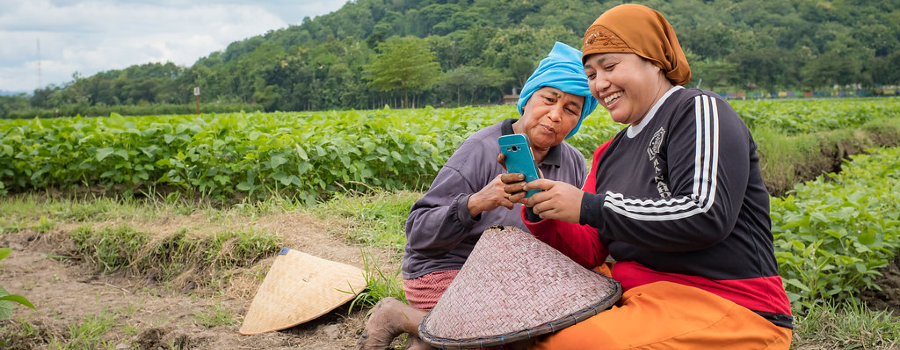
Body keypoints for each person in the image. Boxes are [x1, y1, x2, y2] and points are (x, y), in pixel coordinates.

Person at [501, 4, 793, 349]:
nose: (600, 84)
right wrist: (543, 208)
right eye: (591, 74)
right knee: (526, 318)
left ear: (654, 59)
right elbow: (593, 248)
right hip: (635, 294)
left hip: (725, 301)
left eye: (610, 66)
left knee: (569, 342)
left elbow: (705, 214)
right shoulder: (609, 152)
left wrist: (589, 206)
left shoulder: (695, 109)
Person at [357, 42, 599, 350]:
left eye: (570, 110)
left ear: (578, 120)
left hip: (512, 280)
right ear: (527, 99)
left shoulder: (574, 162)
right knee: (508, 340)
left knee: (549, 330)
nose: (554, 115)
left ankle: (427, 335)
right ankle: (398, 315)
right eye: (548, 100)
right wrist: (478, 201)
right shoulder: (481, 148)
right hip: (448, 269)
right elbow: (418, 232)